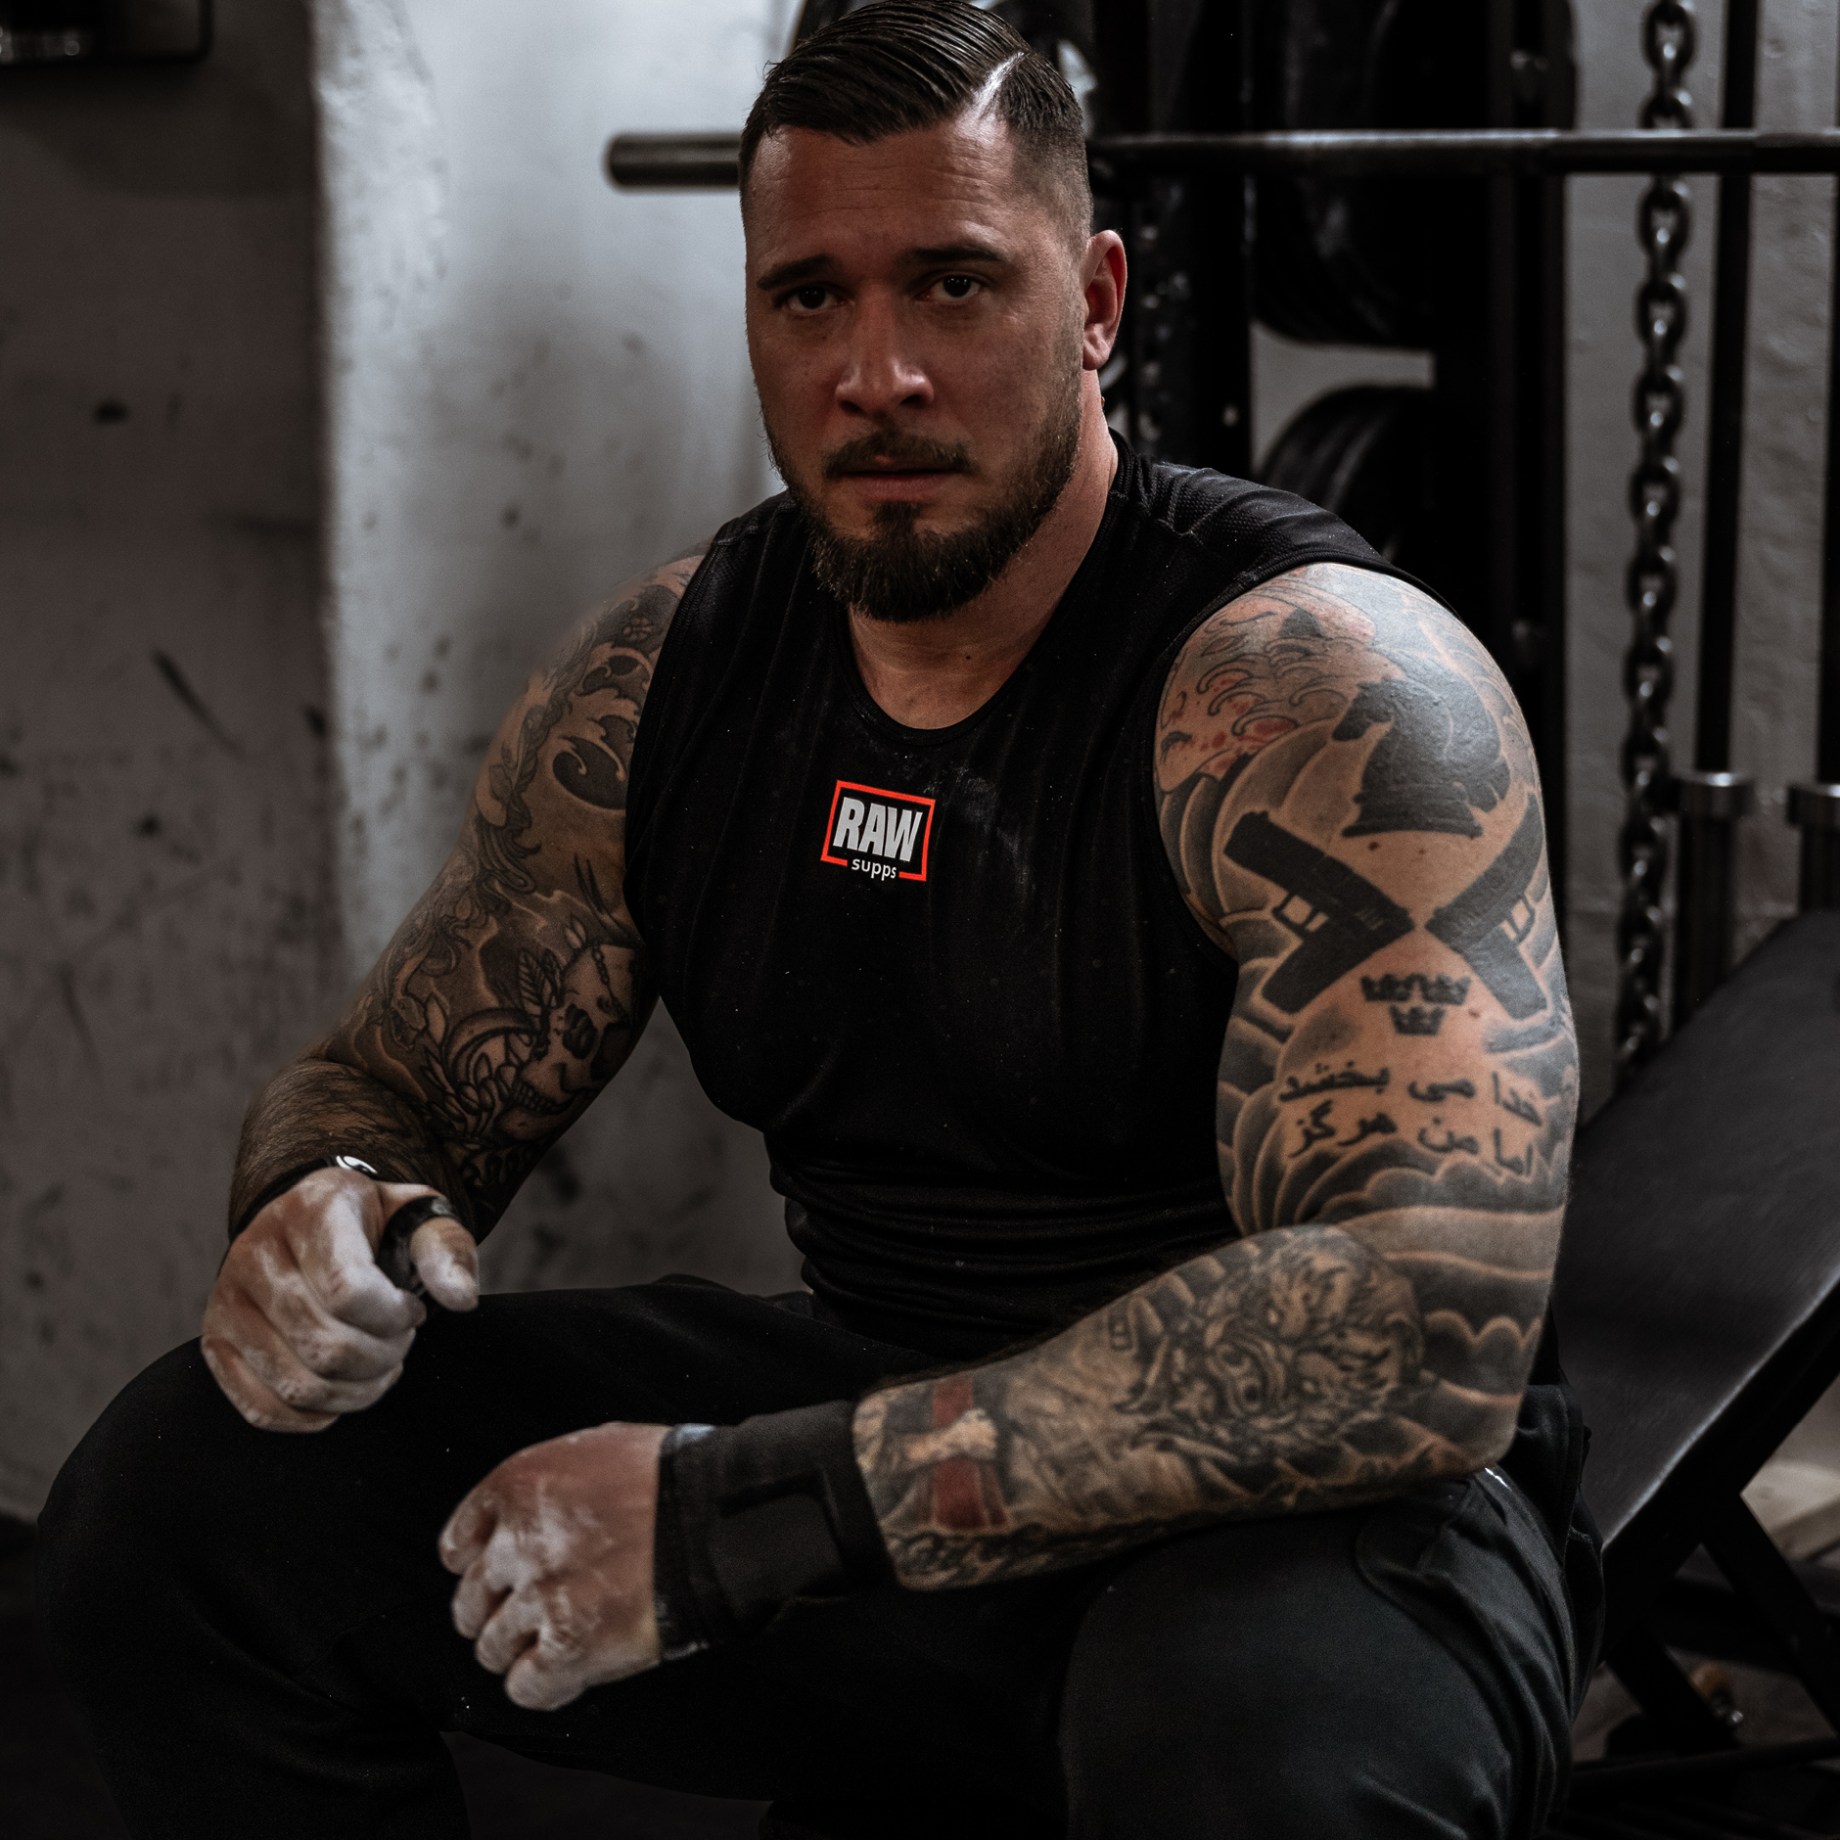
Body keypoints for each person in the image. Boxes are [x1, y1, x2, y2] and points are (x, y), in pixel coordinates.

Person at [39, 3, 1601, 1835]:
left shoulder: (1320, 693)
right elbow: (387, 1082)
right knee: (182, 1497)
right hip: (867, 1438)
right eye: (810, 297)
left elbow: (1422, 1325)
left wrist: (743, 1512)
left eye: (955, 285)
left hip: (1306, 1523)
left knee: (1253, 1755)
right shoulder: (668, 679)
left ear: (1097, 302)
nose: (880, 375)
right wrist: (319, 1210)